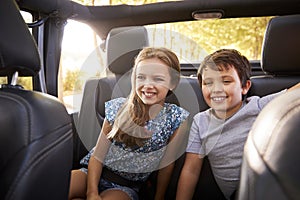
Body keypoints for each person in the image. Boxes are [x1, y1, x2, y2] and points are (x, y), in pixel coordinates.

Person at [176, 49, 300, 200]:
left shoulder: (257, 106)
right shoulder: (200, 122)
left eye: (226, 81)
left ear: (245, 87)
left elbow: (294, 93)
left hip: (268, 187)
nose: (216, 89)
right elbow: (191, 170)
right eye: (208, 83)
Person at [69, 47, 190, 200]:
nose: (148, 85)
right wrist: (91, 193)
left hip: (125, 187)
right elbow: (97, 155)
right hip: (91, 174)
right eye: (141, 77)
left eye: (158, 79)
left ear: (172, 83)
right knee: (56, 187)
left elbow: (166, 166)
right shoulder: (118, 108)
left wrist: (158, 197)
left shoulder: (176, 118)